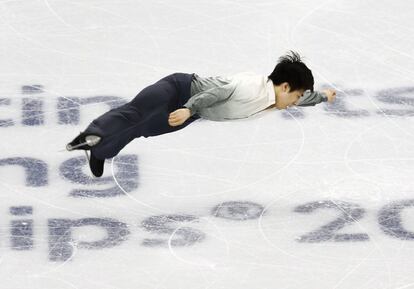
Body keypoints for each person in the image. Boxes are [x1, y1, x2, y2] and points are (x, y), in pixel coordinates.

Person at [66, 51, 336, 177]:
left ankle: (99, 151)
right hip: (178, 90)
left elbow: (301, 98)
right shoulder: (251, 88)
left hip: (190, 111)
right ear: (285, 86)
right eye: (296, 96)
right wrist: (188, 108)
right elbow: (214, 94)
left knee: (141, 129)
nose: (294, 103)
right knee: (135, 115)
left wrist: (322, 96)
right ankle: (93, 134)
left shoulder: (276, 97)